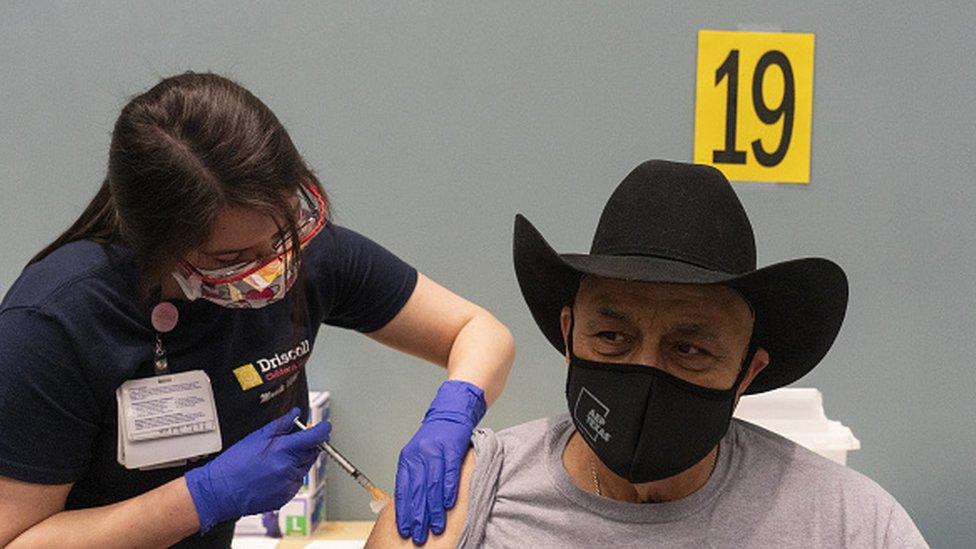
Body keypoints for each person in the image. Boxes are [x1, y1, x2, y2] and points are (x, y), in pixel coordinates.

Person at [0, 72, 514, 547]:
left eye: (285, 230)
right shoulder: (52, 325)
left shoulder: (307, 255)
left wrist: (453, 412)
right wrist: (199, 498)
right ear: (155, 243)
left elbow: (480, 332)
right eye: (232, 258)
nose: (274, 268)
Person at [366, 160, 928, 548]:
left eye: (689, 348)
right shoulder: (460, 501)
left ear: (747, 372)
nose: (647, 371)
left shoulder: (851, 526)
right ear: (568, 337)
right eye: (612, 338)